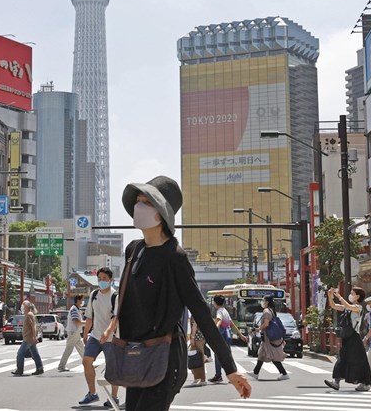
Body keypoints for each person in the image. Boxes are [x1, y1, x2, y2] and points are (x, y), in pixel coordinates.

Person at [100, 176, 251, 410]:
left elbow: (201, 312)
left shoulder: (175, 257)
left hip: (164, 357)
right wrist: (112, 324)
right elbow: (125, 299)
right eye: (137, 200)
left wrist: (230, 369)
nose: (138, 206)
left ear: (161, 214)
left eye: (146, 202)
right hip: (135, 356)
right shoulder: (133, 250)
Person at [78, 267, 121, 405]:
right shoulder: (94, 294)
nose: (101, 281)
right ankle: (92, 393)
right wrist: (85, 334)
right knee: (86, 361)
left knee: (113, 367)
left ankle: (114, 397)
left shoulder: (115, 296)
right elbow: (89, 317)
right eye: (99, 278)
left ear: (110, 280)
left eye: (104, 279)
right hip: (96, 336)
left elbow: (116, 318)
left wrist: (108, 332)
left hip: (111, 337)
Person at [324, 286, 371, 392]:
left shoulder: (358, 308)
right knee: (342, 359)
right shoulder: (348, 307)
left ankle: (365, 383)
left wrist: (339, 296)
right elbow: (333, 306)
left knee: (359, 361)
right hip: (347, 337)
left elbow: (347, 306)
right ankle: (336, 382)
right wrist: (330, 296)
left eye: (352, 293)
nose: (350, 295)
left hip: (355, 338)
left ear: (357, 296)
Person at [251, 295, 289, 381]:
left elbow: (266, 324)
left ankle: (284, 373)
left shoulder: (266, 311)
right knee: (261, 354)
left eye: (263, 300)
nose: (262, 302)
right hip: (267, 338)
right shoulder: (271, 310)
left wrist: (257, 329)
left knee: (273, 356)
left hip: (268, 337)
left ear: (267, 302)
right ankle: (255, 373)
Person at [208, 295, 243, 383]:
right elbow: (231, 324)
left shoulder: (219, 311)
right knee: (228, 356)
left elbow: (219, 320)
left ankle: (219, 375)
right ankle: (230, 375)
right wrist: (240, 334)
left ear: (215, 303)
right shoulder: (225, 311)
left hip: (221, 336)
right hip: (228, 335)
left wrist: (214, 330)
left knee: (218, 355)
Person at [13, 301, 45, 376]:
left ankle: (20, 369)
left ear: (27, 306)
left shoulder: (29, 314)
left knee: (20, 353)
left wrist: (34, 337)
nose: (22, 306)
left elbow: (33, 326)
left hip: (28, 338)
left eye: (23, 305)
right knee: (34, 353)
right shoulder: (27, 315)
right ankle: (40, 368)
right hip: (29, 338)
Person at [57, 294, 86, 373]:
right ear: (78, 301)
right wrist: (85, 323)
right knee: (69, 349)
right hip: (73, 332)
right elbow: (76, 321)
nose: (83, 301)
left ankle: (88, 364)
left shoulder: (76, 309)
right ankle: (61, 366)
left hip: (76, 333)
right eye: (82, 300)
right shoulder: (74, 309)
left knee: (82, 349)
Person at [186, 317, 208, 387]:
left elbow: (195, 325)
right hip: (201, 337)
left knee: (194, 358)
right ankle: (202, 379)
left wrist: (192, 337)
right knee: (200, 359)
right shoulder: (201, 312)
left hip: (197, 337)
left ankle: (197, 378)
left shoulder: (194, 313)